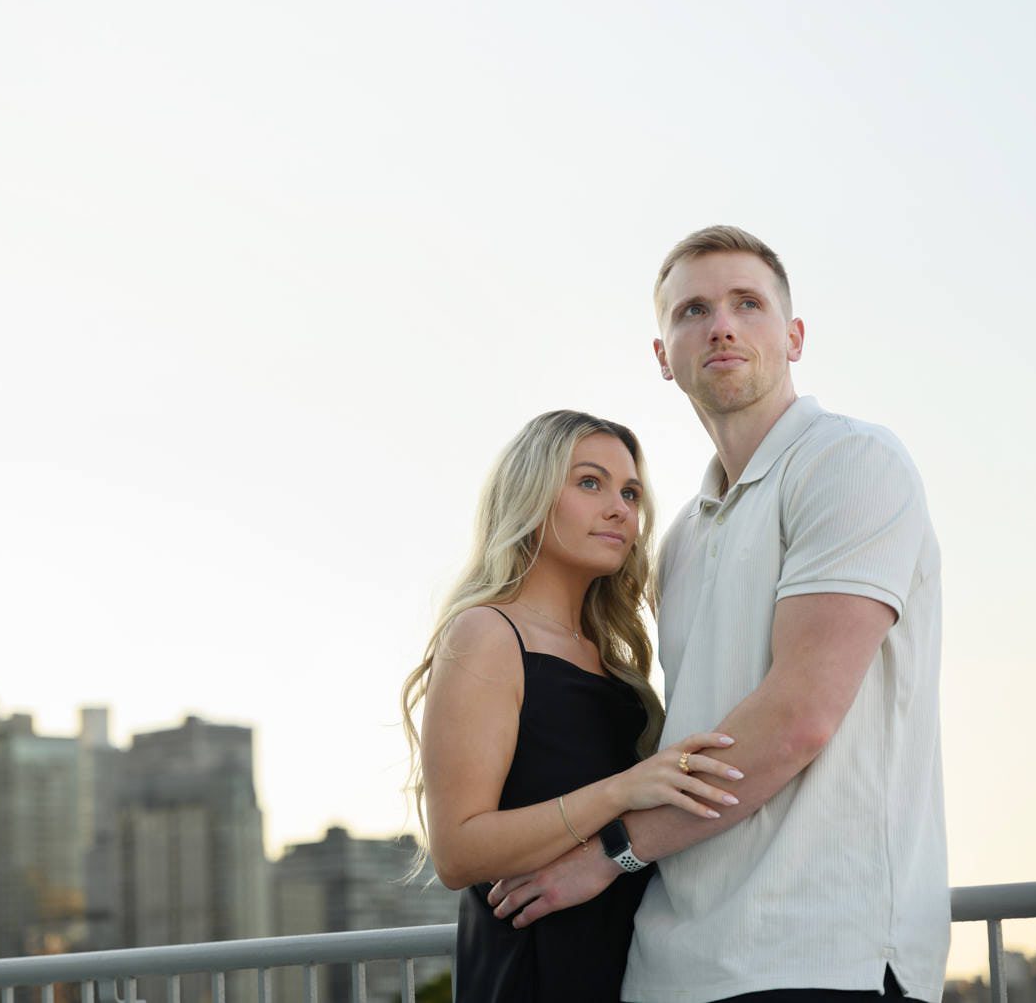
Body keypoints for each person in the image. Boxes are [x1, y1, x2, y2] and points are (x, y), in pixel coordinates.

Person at [487, 226, 948, 1002]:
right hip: (669, 967)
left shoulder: (852, 463)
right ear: (664, 356)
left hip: (820, 955)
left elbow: (799, 717)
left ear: (793, 336)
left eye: (747, 303)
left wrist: (610, 853)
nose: (722, 324)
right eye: (694, 309)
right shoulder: (680, 541)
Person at [401, 409, 745, 1002]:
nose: (620, 509)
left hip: (632, 966)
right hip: (534, 969)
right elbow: (458, 852)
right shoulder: (486, 633)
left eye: (630, 492)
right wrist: (622, 791)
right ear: (531, 498)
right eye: (590, 483)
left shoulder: (614, 661)